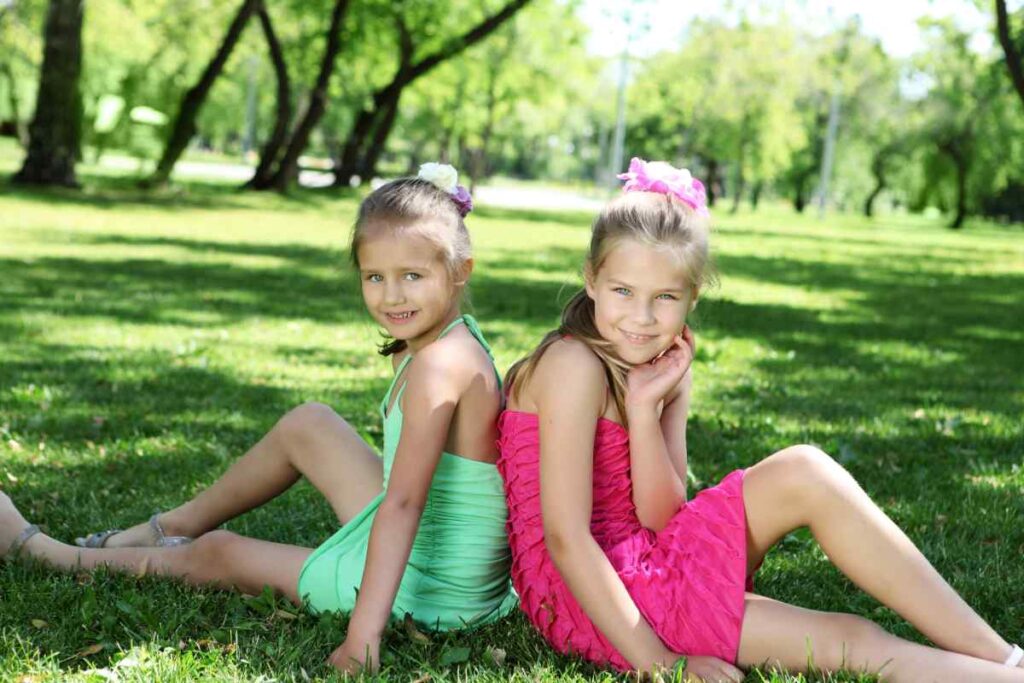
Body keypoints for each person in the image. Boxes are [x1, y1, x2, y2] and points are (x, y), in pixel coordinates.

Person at [496, 158, 1024, 682]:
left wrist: (642, 409)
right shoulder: (572, 366)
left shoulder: (664, 366)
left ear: (692, 298)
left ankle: (1002, 658)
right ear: (591, 280)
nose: (642, 317)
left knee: (806, 469)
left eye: (665, 298)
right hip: (589, 594)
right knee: (852, 639)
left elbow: (661, 517)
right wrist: (662, 662)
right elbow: (565, 539)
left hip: (648, 553)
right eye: (623, 292)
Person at [0, 163, 515, 675]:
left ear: (460, 269)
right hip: (437, 546)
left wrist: (362, 634)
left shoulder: (439, 367)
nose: (392, 295)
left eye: (412, 276)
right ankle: (167, 527)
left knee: (220, 554)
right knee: (310, 424)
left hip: (433, 592)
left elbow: (403, 503)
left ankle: (53, 556)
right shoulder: (445, 340)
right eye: (374, 276)